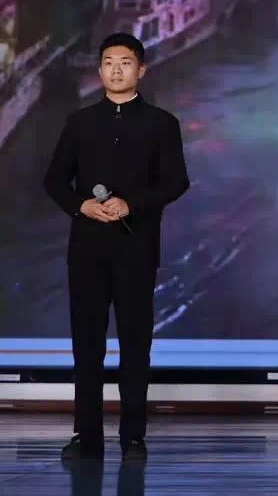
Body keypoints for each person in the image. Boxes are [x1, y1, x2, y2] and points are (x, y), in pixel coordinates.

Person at [43, 33, 190, 461]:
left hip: (136, 249)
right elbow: (54, 180)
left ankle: (133, 437)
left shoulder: (162, 124)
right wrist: (82, 205)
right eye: (108, 62)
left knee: (135, 345)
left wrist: (132, 204)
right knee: (87, 346)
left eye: (125, 62)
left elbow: (176, 182)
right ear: (100, 70)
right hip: (86, 251)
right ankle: (86, 437)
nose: (116, 70)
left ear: (141, 69)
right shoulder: (79, 122)